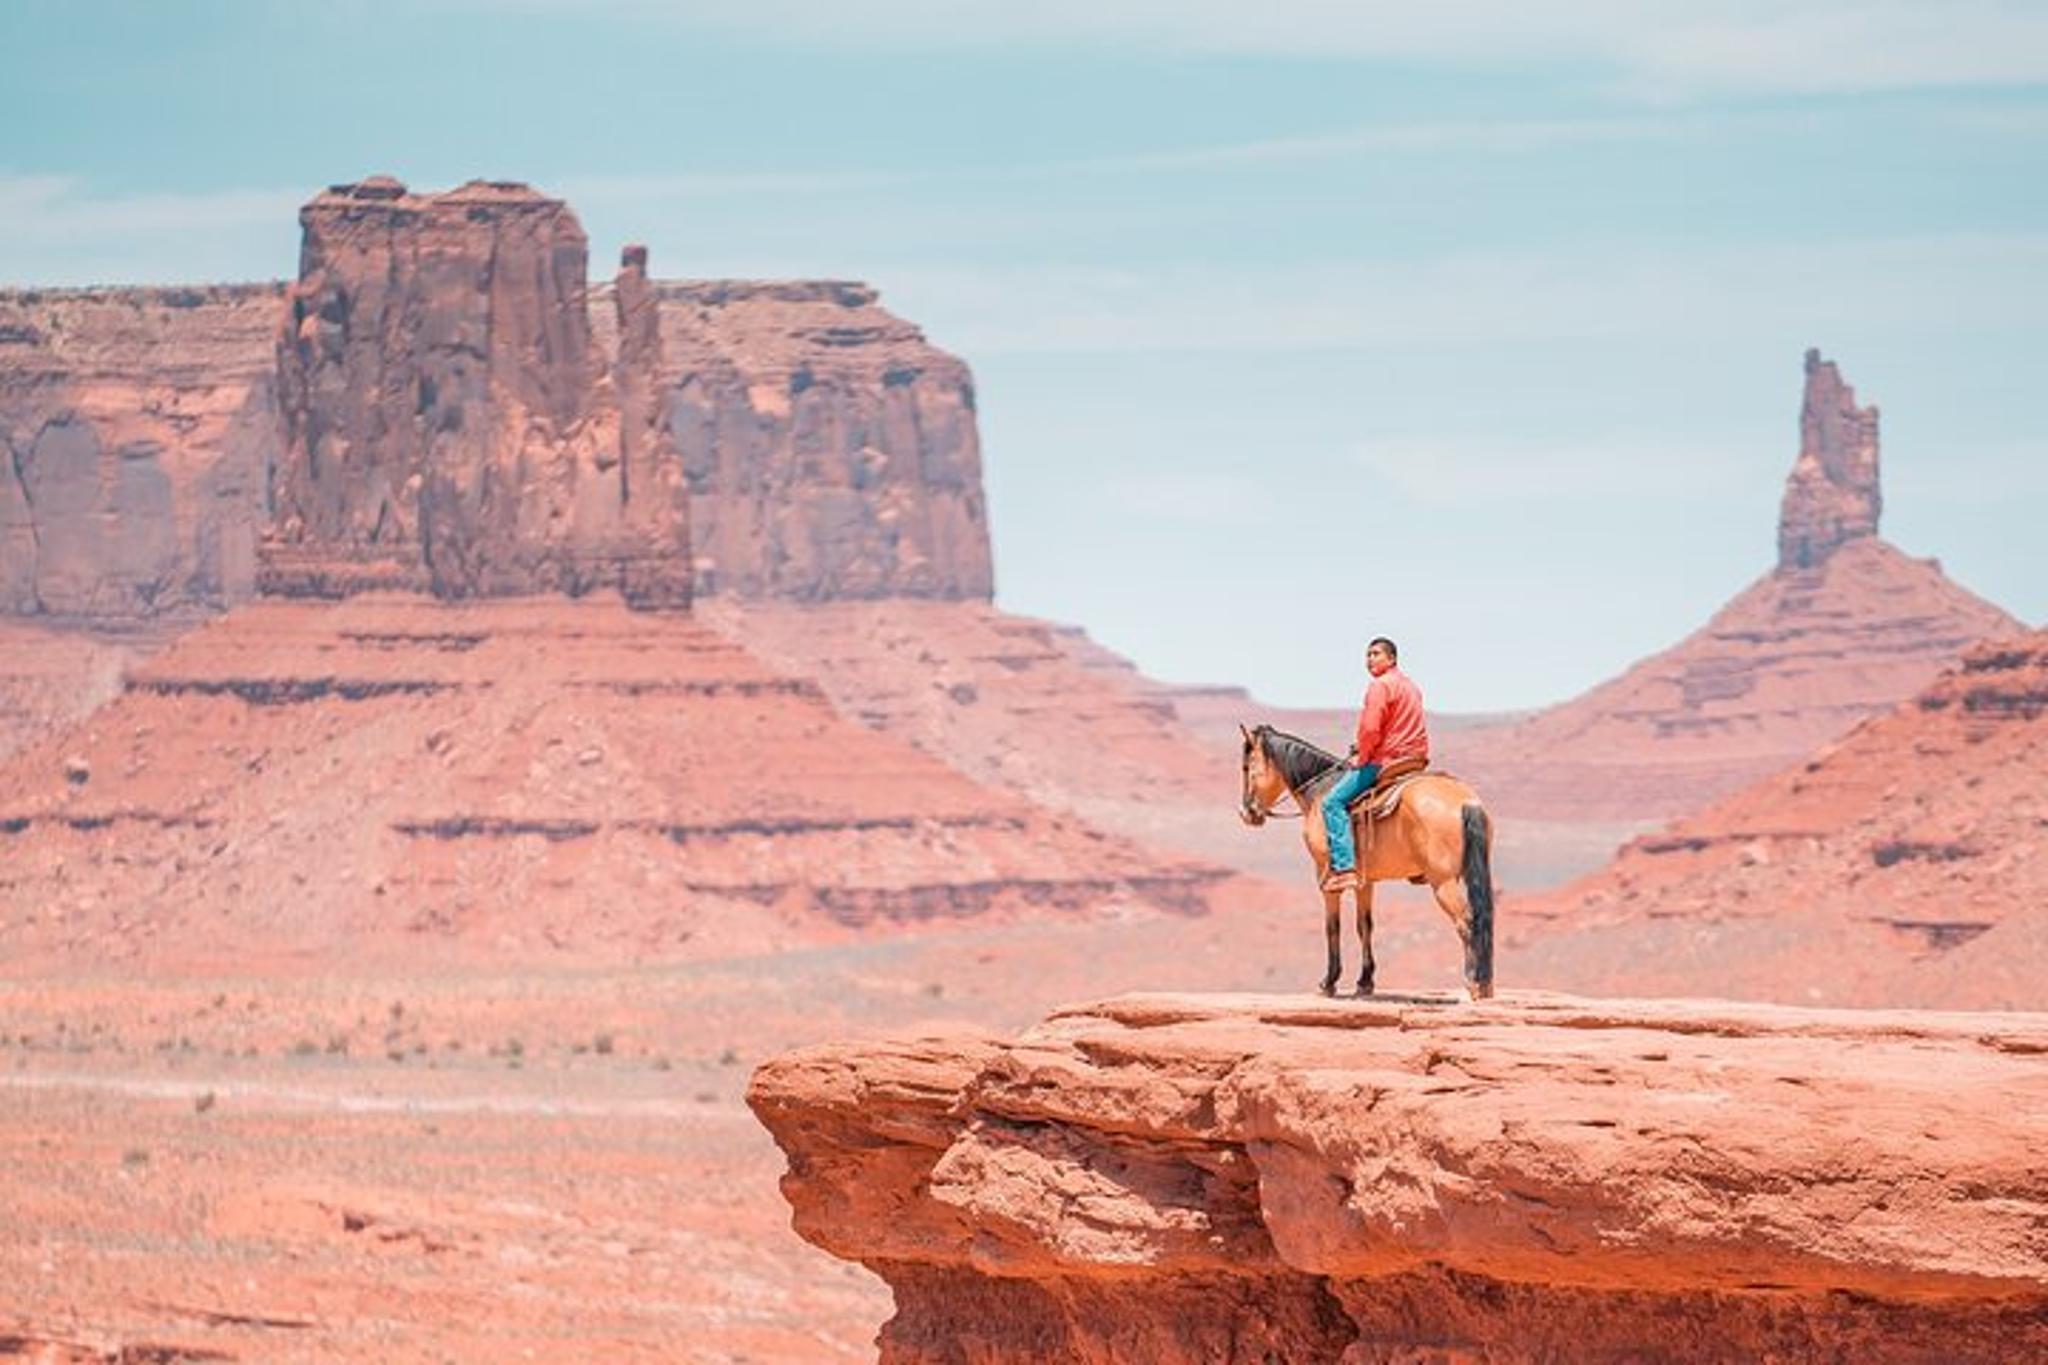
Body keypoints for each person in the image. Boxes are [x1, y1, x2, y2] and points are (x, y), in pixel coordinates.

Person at [1320, 636, 1429, 893]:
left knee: (1332, 803)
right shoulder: (1412, 687)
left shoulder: (1380, 686)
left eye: (1376, 654)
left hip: (1387, 760)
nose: (1370, 659)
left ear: (1392, 658)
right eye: (1368, 655)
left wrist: (1363, 757)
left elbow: (1370, 729)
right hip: (1415, 759)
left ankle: (1345, 869)